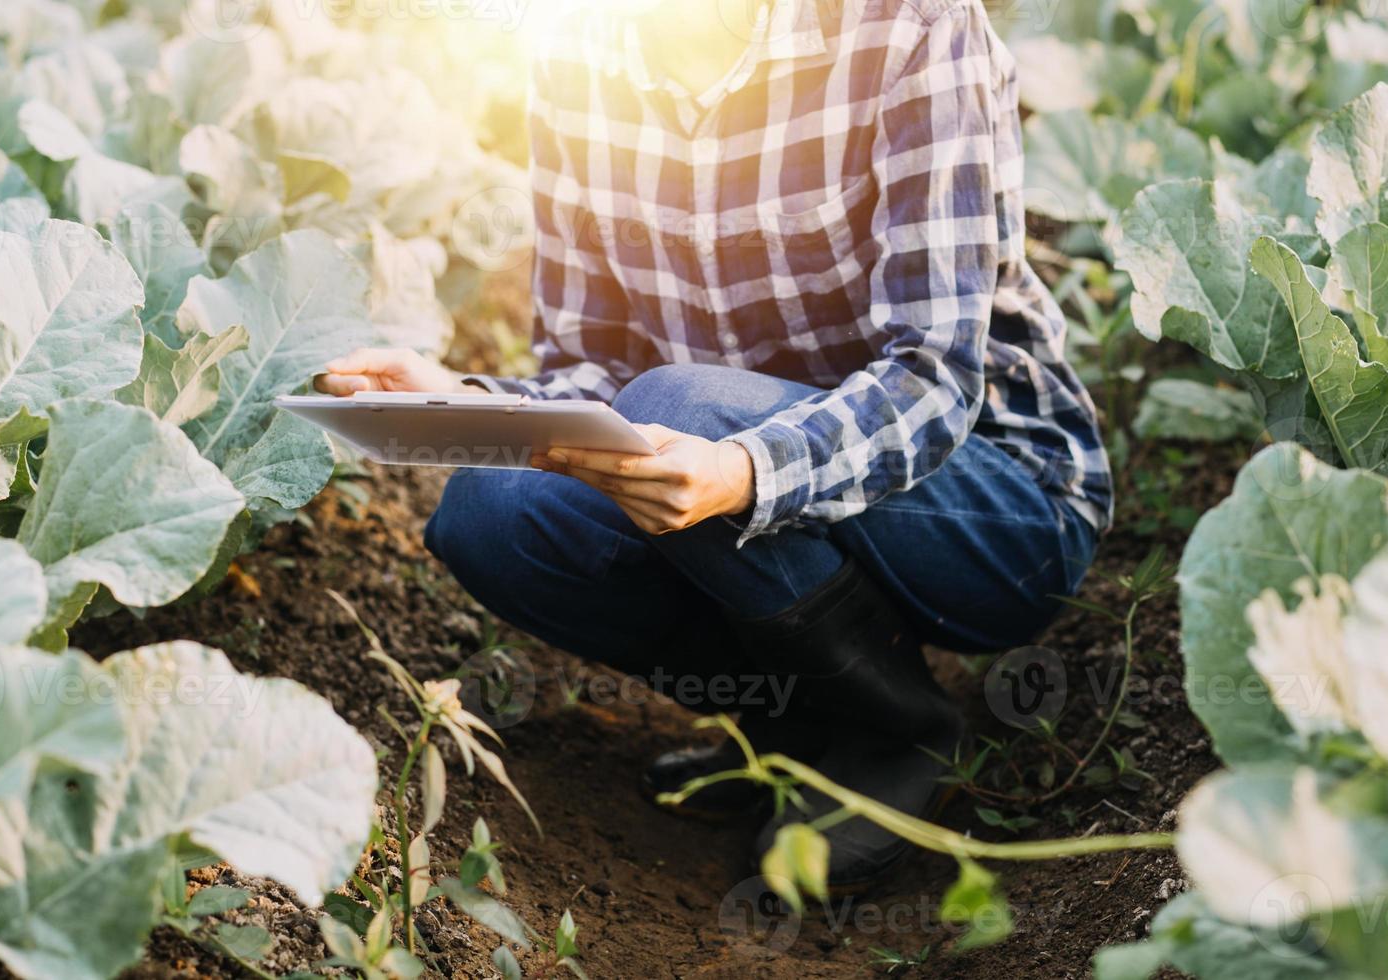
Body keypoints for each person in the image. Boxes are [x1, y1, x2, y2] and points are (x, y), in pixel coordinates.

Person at [316, 0, 1111, 890]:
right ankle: (798, 721)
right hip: (739, 481)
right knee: (490, 513)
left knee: (680, 403)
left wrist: (743, 471)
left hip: (991, 503)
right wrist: (465, 399)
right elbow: (597, 373)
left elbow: (935, 378)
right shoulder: (576, 58)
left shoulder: (910, 28)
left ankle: (894, 727)